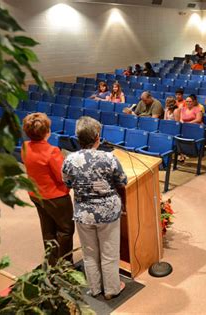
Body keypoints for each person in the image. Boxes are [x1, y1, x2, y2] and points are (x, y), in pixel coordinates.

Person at [62, 116, 127, 300]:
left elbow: (66, 182)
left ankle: (95, 288)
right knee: (109, 253)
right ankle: (112, 290)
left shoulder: (69, 160)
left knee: (89, 253)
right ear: (97, 136)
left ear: (78, 137)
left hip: (83, 214)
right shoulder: (109, 158)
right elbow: (122, 182)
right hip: (108, 213)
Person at [21, 113, 74, 266]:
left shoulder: (25, 146)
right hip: (55, 197)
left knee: (48, 230)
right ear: (47, 132)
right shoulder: (52, 151)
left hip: (36, 195)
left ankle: (52, 262)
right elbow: (61, 177)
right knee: (65, 230)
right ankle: (65, 265)